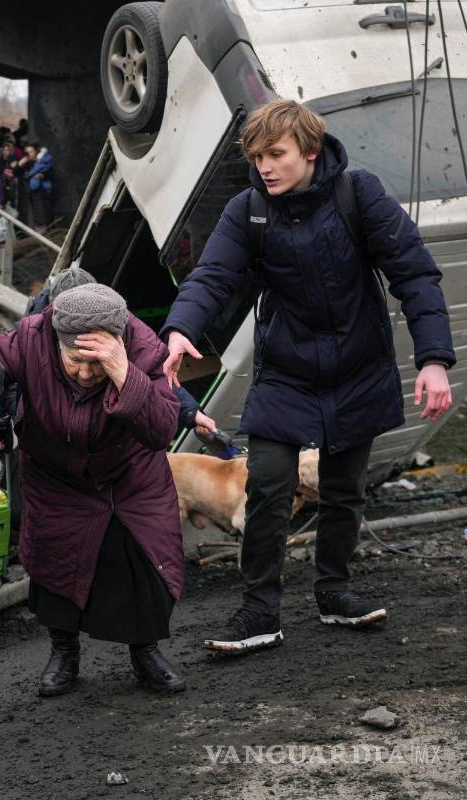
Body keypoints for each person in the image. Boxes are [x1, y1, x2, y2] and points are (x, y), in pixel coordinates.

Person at [160, 100, 455, 654]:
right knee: (268, 484)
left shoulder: (360, 194)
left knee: (343, 490)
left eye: (276, 154)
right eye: (256, 157)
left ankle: (334, 592)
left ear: (311, 151)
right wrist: (180, 329)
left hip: (358, 365)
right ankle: (258, 612)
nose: (264, 166)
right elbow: (214, 274)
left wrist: (434, 359)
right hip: (287, 372)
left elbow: (414, 273)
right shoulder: (248, 210)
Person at [0, 283, 188, 697]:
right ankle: (63, 652)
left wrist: (124, 373)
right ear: (57, 341)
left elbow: (162, 430)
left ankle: (146, 651)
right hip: (55, 474)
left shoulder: (142, 347)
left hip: (128, 477)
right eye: (75, 362)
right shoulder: (32, 338)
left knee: (142, 564)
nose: (86, 374)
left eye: (96, 365)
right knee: (55, 564)